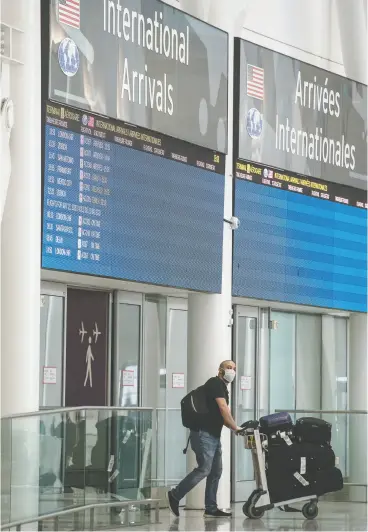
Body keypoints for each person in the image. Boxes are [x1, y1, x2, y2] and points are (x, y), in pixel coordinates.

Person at [168, 360, 241, 518]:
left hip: (213, 435)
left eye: (234, 369)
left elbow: (221, 412)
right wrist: (236, 428)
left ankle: (211, 507)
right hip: (204, 434)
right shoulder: (214, 383)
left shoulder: (223, 388)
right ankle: (175, 494)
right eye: (229, 368)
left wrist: (234, 427)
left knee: (216, 471)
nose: (232, 371)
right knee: (204, 469)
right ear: (220, 370)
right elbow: (223, 408)